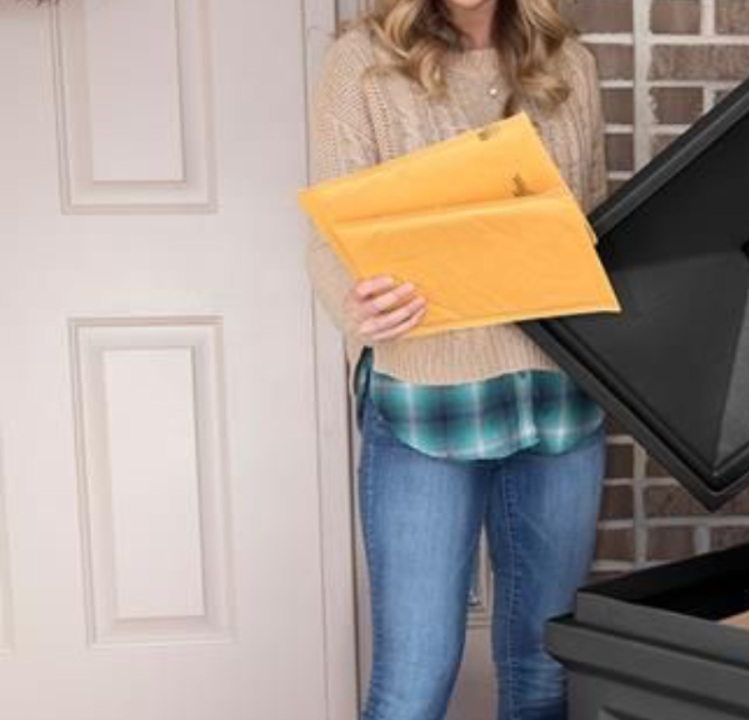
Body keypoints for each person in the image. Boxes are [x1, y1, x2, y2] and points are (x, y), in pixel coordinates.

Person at [305, 0, 610, 718]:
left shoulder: (571, 64)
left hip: (558, 398)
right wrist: (355, 304)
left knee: (545, 671)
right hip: (427, 399)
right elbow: (328, 242)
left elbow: (595, 222)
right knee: (415, 677)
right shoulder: (360, 65)